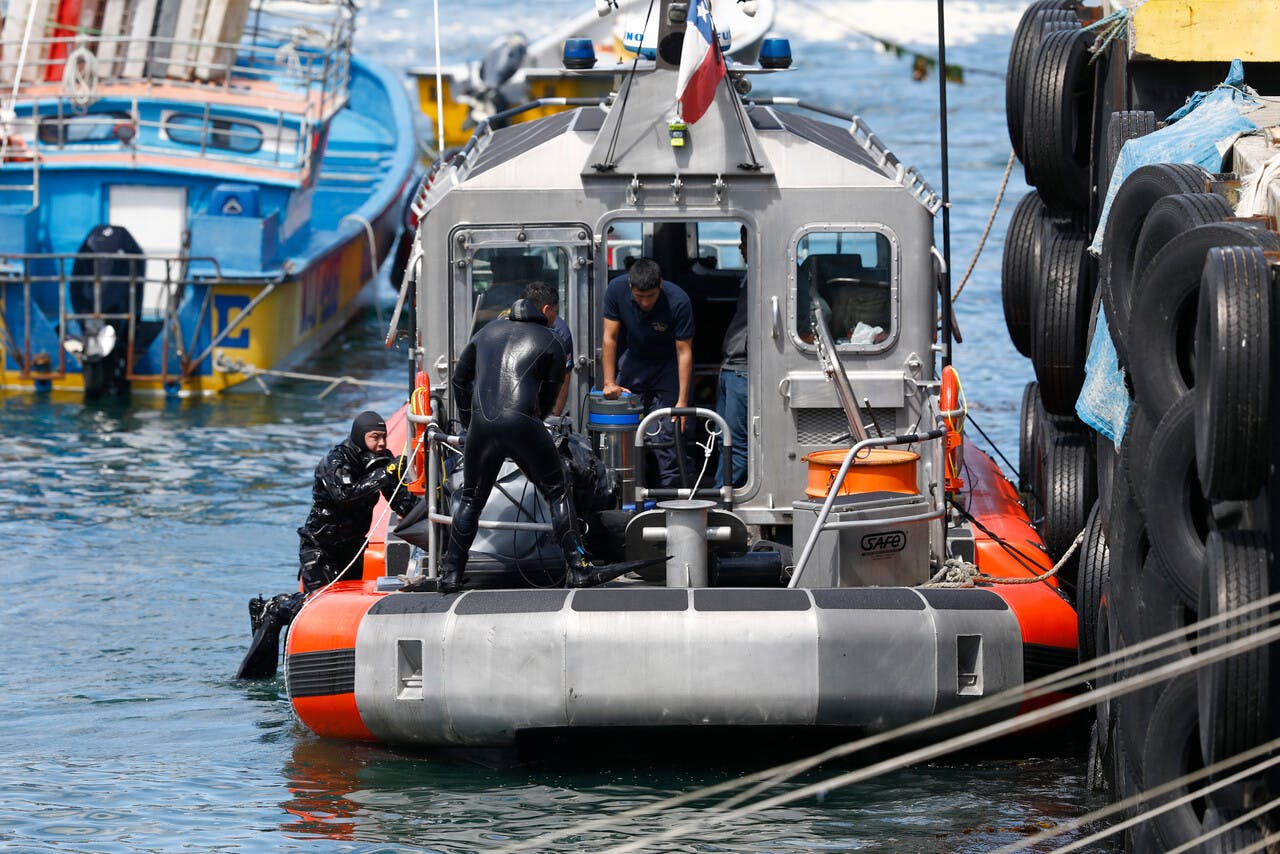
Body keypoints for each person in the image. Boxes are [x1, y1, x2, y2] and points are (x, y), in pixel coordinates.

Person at [438, 298, 591, 594]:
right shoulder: (553, 340)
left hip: (482, 427)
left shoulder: (485, 333)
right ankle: (579, 568)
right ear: (541, 318)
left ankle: (451, 574)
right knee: (558, 490)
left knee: (471, 499)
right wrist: (536, 423)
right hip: (523, 423)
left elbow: (459, 380)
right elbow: (549, 394)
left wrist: (470, 423)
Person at [297, 410, 417, 593]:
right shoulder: (337, 459)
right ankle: (275, 608)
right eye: (375, 437)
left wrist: (419, 506)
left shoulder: (382, 459)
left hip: (353, 546)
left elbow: (399, 500)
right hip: (322, 547)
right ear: (360, 436)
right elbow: (344, 495)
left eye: (384, 437)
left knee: (346, 597)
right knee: (320, 600)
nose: (382, 443)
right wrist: (385, 473)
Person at [601, 257, 694, 488]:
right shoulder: (615, 290)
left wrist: (682, 403)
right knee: (626, 425)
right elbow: (609, 337)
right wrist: (609, 382)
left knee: (667, 433)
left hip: (668, 364)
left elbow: (684, 352)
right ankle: (627, 493)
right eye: (639, 297)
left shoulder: (678, 301)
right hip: (635, 359)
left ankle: (670, 496)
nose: (644, 302)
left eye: (650, 297)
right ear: (630, 286)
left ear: (660, 284)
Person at [715, 226, 749, 489]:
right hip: (731, 367)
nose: (740, 247)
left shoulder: (771, 276)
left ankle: (721, 501)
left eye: (744, 241)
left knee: (736, 444)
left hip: (742, 370)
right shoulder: (752, 276)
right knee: (721, 438)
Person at [518, 281, 573, 416]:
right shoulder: (557, 335)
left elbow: (563, 379)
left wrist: (552, 420)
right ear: (547, 310)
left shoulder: (560, 332)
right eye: (556, 310)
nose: (556, 316)